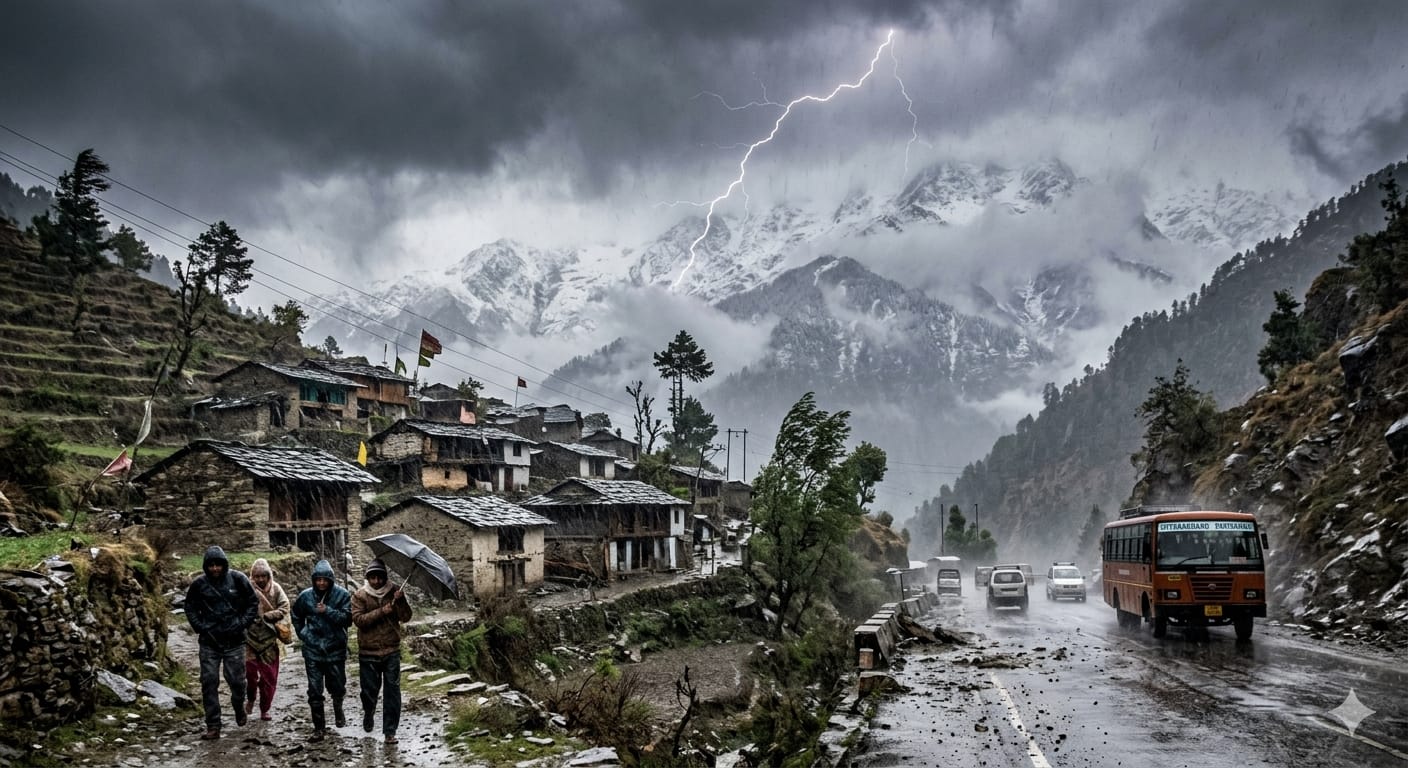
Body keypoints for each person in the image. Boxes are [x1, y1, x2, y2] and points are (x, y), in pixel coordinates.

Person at [184, 545, 259, 740]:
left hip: (234, 641)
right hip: (209, 642)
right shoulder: (199, 585)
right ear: (206, 566)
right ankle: (213, 724)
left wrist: (241, 624)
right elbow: (190, 607)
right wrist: (201, 626)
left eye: (218, 565)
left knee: (237, 682)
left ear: (224, 565)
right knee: (209, 682)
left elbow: (253, 603)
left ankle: (238, 708)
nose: (215, 569)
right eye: (211, 565)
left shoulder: (238, 579)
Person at [351, 559, 412, 743]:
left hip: (391, 650)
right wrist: (381, 612)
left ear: (385, 578)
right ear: (367, 578)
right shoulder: (360, 595)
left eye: (379, 578)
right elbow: (358, 620)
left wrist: (401, 602)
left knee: (392, 693)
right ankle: (369, 712)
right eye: (372, 578)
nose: (376, 581)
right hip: (368, 652)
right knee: (369, 692)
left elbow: (406, 617)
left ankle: (390, 732)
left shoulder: (394, 592)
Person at [291, 559, 352, 741]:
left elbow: (348, 619)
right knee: (315, 690)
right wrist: (303, 634)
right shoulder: (306, 596)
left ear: (331, 580)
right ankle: (319, 728)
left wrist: (328, 611)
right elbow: (296, 615)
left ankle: (338, 708)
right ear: (314, 580)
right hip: (313, 649)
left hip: (335, 648)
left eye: (325, 580)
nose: (321, 583)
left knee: (337, 686)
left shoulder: (342, 595)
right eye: (318, 579)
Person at [244, 558, 291, 721]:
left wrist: (270, 615)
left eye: (263, 576)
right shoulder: (247, 589)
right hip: (249, 639)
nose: (260, 580)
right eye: (257, 576)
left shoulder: (276, 589)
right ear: (252, 576)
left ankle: (265, 708)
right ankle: (250, 698)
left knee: (269, 677)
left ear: (269, 575)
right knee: (249, 673)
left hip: (269, 640)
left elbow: (285, 606)